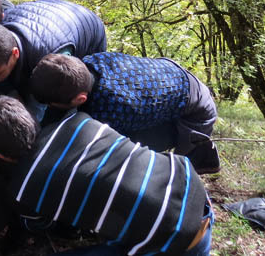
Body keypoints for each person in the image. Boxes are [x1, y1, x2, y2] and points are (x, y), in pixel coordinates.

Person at [0, 95, 213, 256]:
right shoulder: (78, 121)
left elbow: (40, 225)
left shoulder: (22, 190)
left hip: (174, 240)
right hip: (189, 185)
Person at [29, 53, 220, 174]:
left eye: (51, 104)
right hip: (171, 75)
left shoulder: (112, 108)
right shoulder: (90, 63)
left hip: (194, 111)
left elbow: (110, 153)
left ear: (80, 99)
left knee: (174, 167)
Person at [0, 0, 107, 122]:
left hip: (88, 31)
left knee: (66, 97)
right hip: (47, 15)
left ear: (14, 54)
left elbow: (38, 111)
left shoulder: (51, 59)